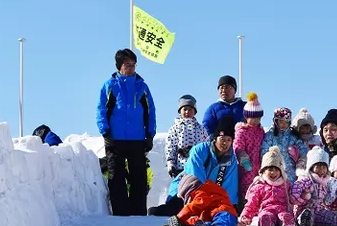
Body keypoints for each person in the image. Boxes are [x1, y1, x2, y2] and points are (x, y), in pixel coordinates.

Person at [96, 48, 157, 216]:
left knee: (139, 176)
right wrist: (105, 133)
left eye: (133, 65)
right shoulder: (109, 86)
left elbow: (150, 111)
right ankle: (120, 213)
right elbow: (101, 110)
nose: (131, 68)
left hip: (137, 138)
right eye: (127, 65)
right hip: (115, 138)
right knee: (116, 175)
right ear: (119, 66)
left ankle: (138, 213)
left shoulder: (142, 87)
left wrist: (150, 135)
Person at [149, 116, 238, 217]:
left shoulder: (231, 160)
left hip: (210, 195)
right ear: (215, 138)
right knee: (178, 209)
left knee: (221, 212)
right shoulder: (200, 150)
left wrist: (230, 205)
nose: (225, 143)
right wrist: (207, 195)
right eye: (222, 139)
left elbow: (230, 185)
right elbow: (195, 177)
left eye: (229, 140)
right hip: (187, 190)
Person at [159, 175, 237, 226]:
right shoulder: (202, 193)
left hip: (225, 212)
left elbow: (195, 205)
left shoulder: (203, 189)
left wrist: (179, 218)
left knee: (222, 224)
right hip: (210, 218)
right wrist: (183, 223)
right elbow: (197, 219)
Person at [238, 146, 297, 226]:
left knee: (284, 215)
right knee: (266, 216)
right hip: (266, 210)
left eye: (276, 170)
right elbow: (251, 204)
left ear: (281, 171)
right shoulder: (259, 186)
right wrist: (246, 217)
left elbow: (293, 198)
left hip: (282, 209)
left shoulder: (286, 185)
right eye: (270, 170)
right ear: (263, 171)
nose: (273, 173)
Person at [234, 92, 266, 212]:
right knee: (245, 187)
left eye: (257, 118)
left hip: (259, 166)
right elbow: (238, 147)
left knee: (258, 187)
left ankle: (257, 208)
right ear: (246, 117)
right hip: (246, 166)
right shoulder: (242, 131)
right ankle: (244, 207)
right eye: (252, 117)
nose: (254, 120)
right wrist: (245, 161)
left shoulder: (261, 131)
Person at [260, 107, 308, 184]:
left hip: (290, 171)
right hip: (274, 170)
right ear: (276, 121)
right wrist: (272, 157)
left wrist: (299, 157)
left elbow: (303, 150)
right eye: (281, 121)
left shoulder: (293, 136)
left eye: (286, 122)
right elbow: (264, 150)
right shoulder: (270, 135)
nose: (283, 125)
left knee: (289, 191)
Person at [164, 94, 208, 178]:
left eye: (190, 109)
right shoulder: (175, 128)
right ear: (180, 111)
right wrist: (171, 163)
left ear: (194, 112)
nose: (187, 112)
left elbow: (206, 145)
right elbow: (170, 146)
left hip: (198, 167)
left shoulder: (201, 129)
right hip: (181, 167)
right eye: (185, 109)